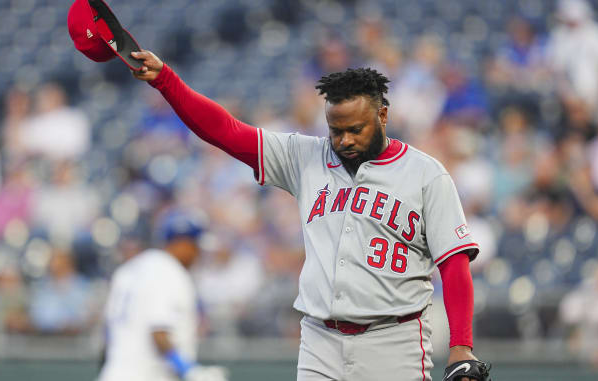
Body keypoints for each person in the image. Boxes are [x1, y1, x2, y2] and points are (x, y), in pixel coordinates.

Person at [127, 49, 489, 381]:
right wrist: (165, 80)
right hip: (320, 341)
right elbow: (225, 130)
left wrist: (461, 345)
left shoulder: (426, 174)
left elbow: (453, 264)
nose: (344, 140)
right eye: (336, 130)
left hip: (394, 339)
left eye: (355, 129)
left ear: (382, 115)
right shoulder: (306, 157)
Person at [98, 212, 228, 381]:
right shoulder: (168, 271)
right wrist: (188, 370)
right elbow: (158, 332)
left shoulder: (129, 269)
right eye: (194, 245)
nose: (197, 253)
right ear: (180, 243)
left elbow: (108, 334)